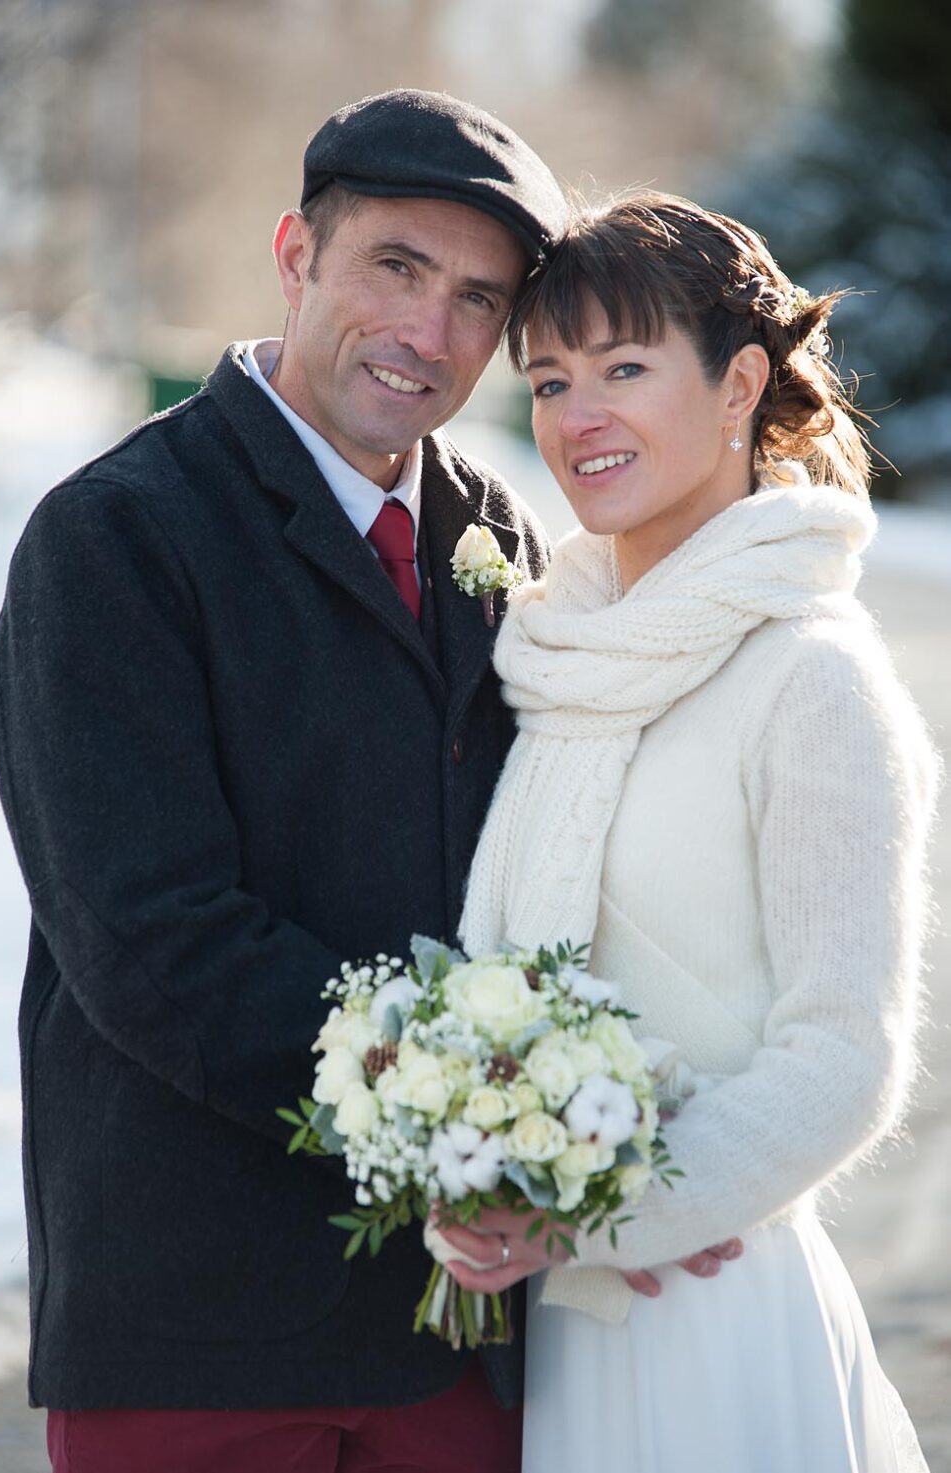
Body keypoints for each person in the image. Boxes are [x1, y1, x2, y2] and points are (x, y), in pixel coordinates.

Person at [0, 89, 574, 1473]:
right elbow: (153, 938)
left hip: (457, 1333)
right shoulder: (114, 541)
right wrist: (454, 1116)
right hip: (201, 1319)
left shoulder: (502, 536)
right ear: (296, 256)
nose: (430, 333)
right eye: (396, 269)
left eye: (479, 301)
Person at [439, 191, 939, 1471]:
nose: (576, 416)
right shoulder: (557, 658)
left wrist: (597, 1215)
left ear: (738, 386)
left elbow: (840, 1057)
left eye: (622, 367)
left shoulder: (809, 677)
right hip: (542, 1344)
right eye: (548, 382)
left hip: (708, 1324)